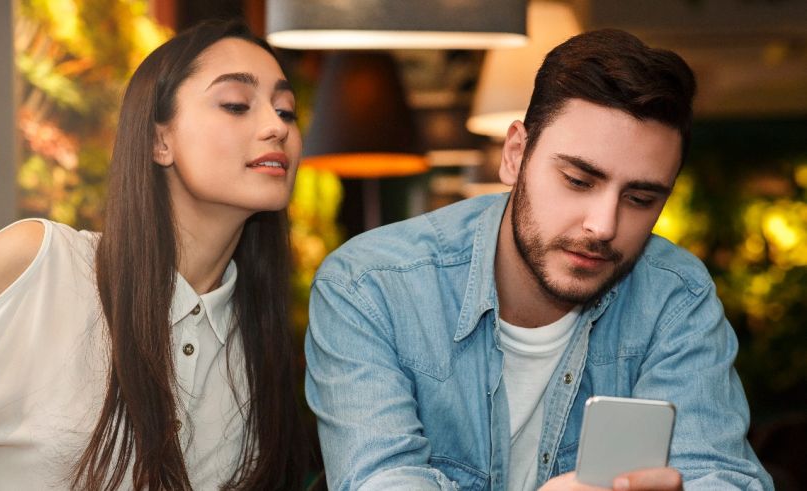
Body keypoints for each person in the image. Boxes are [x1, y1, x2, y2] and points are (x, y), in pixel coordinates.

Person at [305, 29, 773, 490]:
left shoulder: (675, 296)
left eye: (640, 198)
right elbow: (382, 481)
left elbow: (719, 474)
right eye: (578, 180)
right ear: (515, 154)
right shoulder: (370, 286)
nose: (603, 226)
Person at [0, 19, 307, 490]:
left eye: (286, 111)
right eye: (236, 105)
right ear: (160, 140)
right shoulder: (42, 267)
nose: (275, 127)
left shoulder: (261, 351)